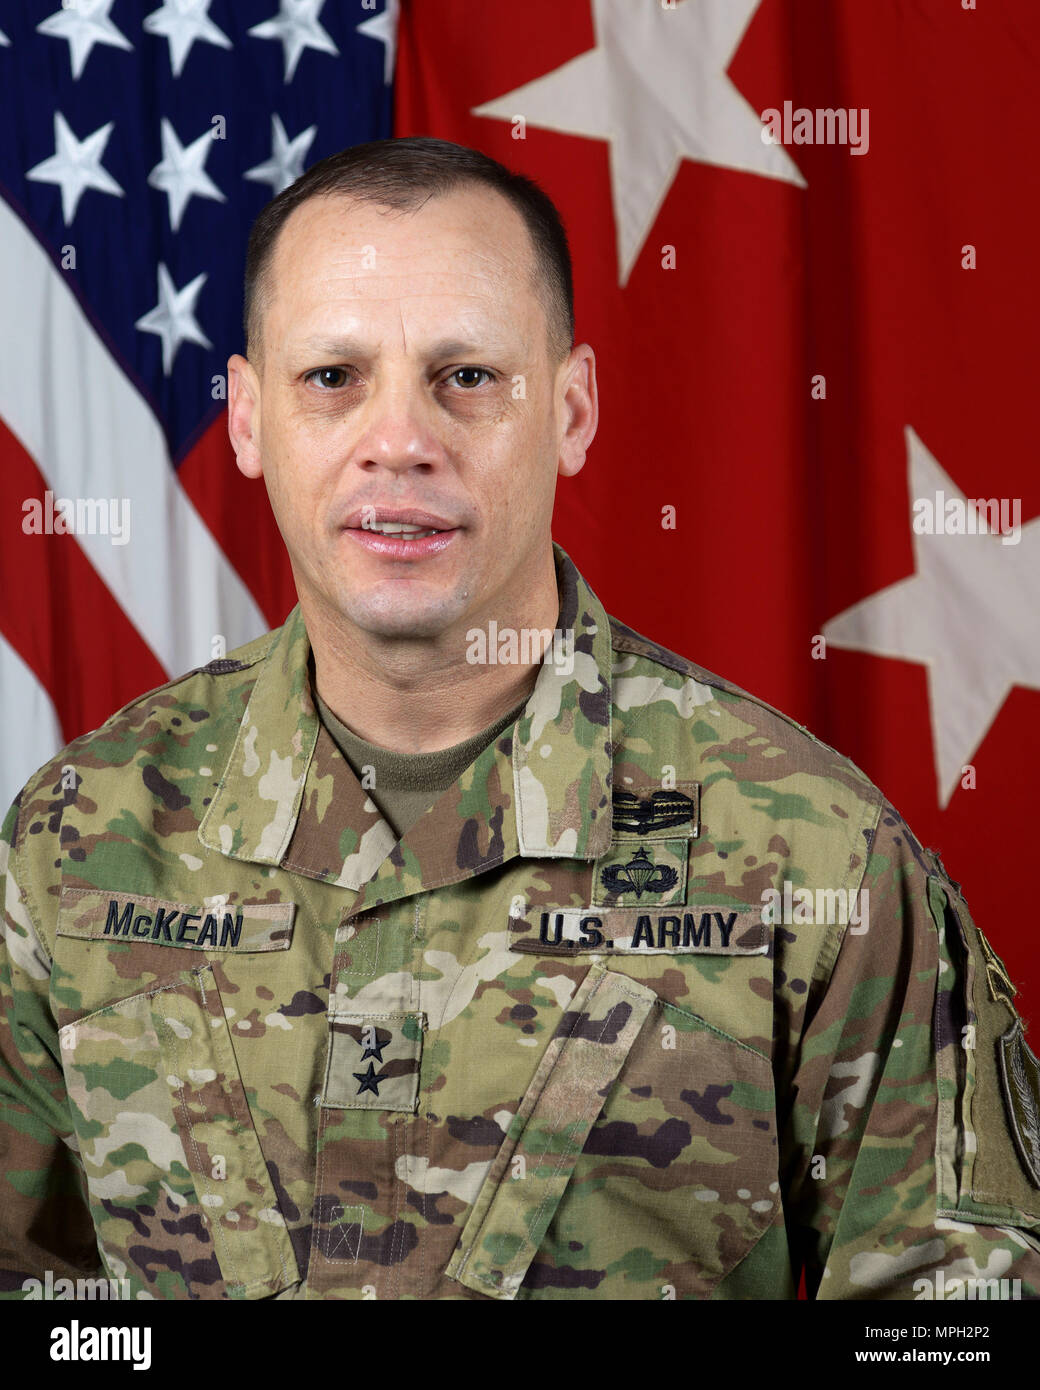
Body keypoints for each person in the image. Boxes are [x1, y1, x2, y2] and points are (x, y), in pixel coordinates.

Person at [2, 136, 1038, 1302]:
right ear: (247, 419)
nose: (400, 441)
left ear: (572, 410)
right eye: (332, 378)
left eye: (468, 376)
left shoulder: (806, 847)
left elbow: (959, 1318)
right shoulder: (78, 833)